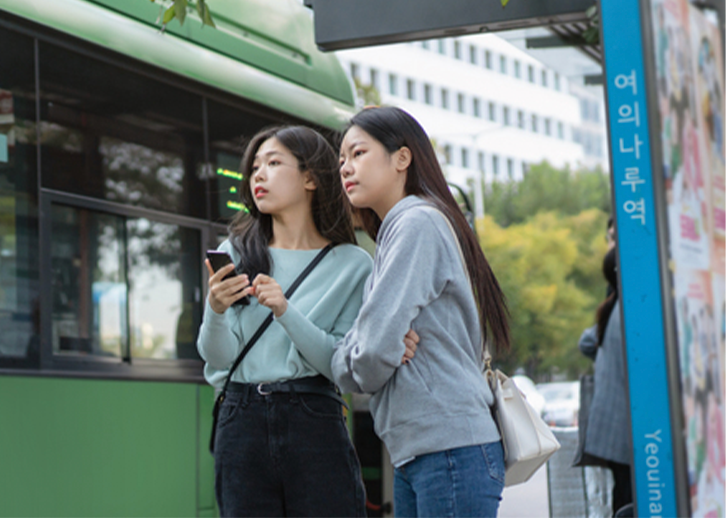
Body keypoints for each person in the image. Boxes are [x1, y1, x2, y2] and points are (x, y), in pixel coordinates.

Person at [332, 106, 512, 518]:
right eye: (342, 159)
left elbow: (371, 355)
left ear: (402, 158)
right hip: (425, 450)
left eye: (358, 153)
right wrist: (366, 351)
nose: (345, 168)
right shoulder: (401, 228)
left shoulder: (417, 224)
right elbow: (366, 349)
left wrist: (366, 354)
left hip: (447, 449)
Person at [197, 124, 373, 518]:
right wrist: (216, 308)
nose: (258, 174)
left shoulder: (353, 264)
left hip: (314, 417)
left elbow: (339, 364)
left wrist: (285, 311)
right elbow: (218, 359)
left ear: (310, 177)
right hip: (240, 419)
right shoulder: (235, 251)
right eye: (255, 166)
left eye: (274, 163)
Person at [578, 221, 633, 514]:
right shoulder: (629, 308)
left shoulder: (612, 307)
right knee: (628, 500)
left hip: (613, 427)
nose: (612, 243)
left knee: (622, 496)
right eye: (611, 238)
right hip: (626, 428)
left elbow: (585, 342)